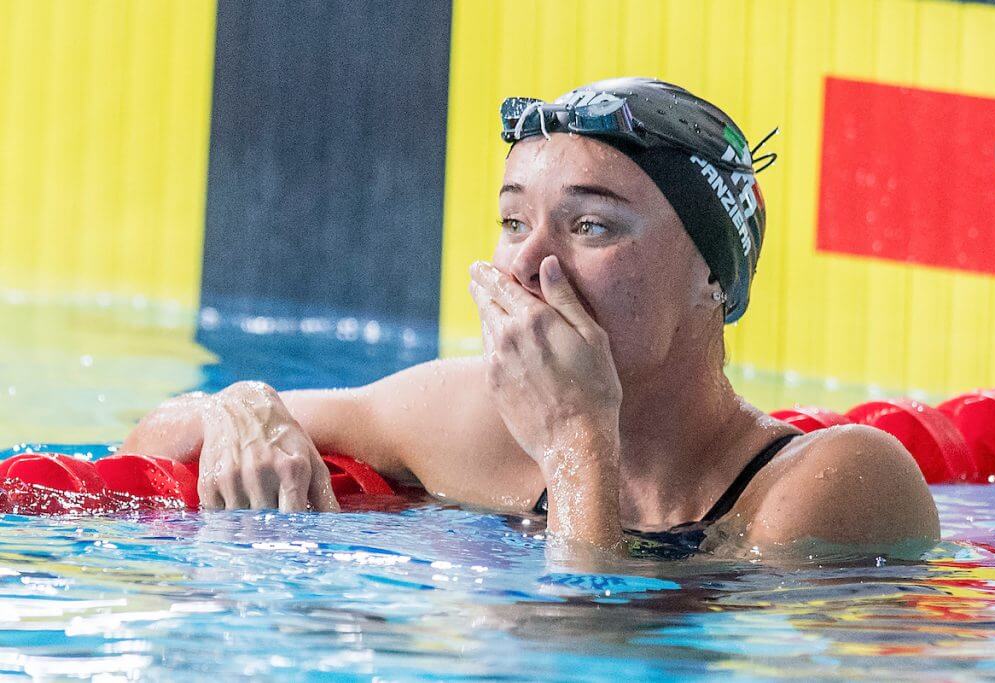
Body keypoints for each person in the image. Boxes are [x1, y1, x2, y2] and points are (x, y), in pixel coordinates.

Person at [122, 78, 939, 560]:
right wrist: (241, 407)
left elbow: (582, 658)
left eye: (591, 226)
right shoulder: (475, 422)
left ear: (712, 277)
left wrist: (579, 439)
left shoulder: (838, 485)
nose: (525, 265)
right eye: (515, 221)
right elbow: (156, 438)